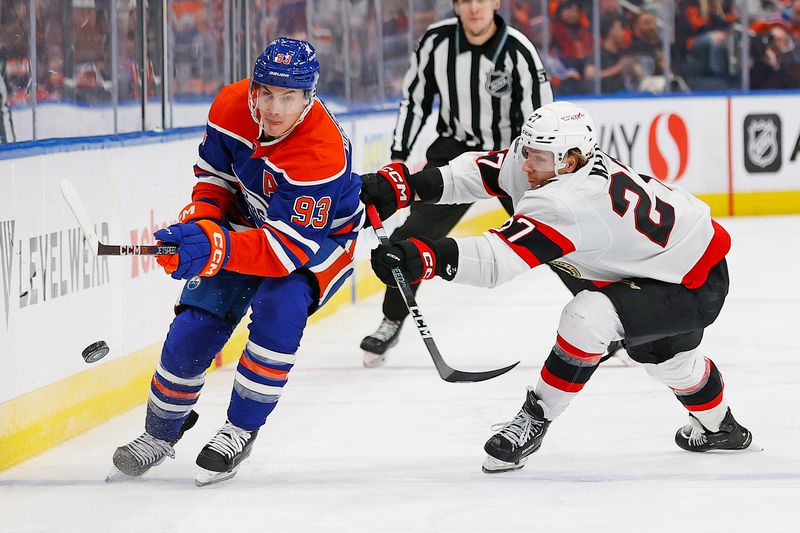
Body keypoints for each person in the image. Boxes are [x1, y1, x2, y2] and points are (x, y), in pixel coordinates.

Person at [361, 101, 753, 473]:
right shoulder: (549, 161)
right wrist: (405, 186)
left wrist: (423, 256)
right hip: (662, 262)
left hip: (693, 283)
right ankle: (723, 428)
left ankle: (534, 420)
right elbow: (479, 173)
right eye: (526, 150)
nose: (526, 163)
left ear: (571, 161)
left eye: (537, 158)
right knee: (668, 362)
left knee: (587, 317)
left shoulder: (570, 201)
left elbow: (496, 261)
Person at [108, 37, 363, 486]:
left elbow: (287, 251)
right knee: (195, 325)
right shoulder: (229, 105)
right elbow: (214, 178)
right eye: (266, 93)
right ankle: (160, 433)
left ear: (309, 97)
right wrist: (201, 226)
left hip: (317, 243)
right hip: (249, 221)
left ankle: (240, 429)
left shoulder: (320, 151)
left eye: (289, 97)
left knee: (279, 308)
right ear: (254, 89)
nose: (275, 109)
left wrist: (213, 246)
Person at [360, 0, 553, 367]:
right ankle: (391, 320)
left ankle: (614, 317)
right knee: (408, 239)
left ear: (496, 3)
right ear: (456, 5)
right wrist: (399, 156)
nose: (474, 8)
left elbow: (539, 115)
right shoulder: (436, 42)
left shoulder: (518, 50)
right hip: (453, 154)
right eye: (465, 0)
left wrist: (539, 169)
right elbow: (415, 100)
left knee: (557, 235)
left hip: (513, 158)